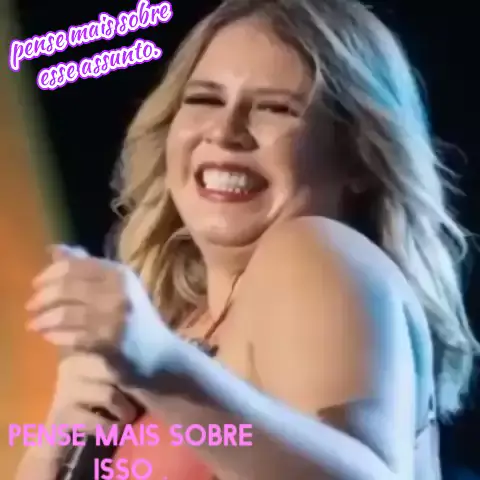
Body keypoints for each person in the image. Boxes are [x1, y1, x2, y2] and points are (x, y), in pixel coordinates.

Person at [16, 0, 479, 478]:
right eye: (204, 100)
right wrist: (55, 446)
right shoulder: (181, 327)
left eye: (275, 108)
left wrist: (163, 366)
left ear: (358, 157)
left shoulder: (311, 249)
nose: (225, 131)